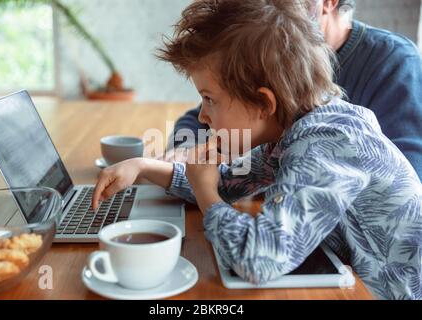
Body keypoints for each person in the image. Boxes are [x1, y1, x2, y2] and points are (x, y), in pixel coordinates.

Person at [92, 0, 422, 299]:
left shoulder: (325, 144)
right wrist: (144, 166)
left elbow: (259, 259)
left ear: (264, 102)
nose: (203, 115)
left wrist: (207, 194)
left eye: (209, 99)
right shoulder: (293, 132)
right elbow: (223, 182)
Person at [168, 0, 422, 180]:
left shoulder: (394, 60)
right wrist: (186, 152)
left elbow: (410, 169)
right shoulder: (268, 52)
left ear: (328, 2)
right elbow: (201, 118)